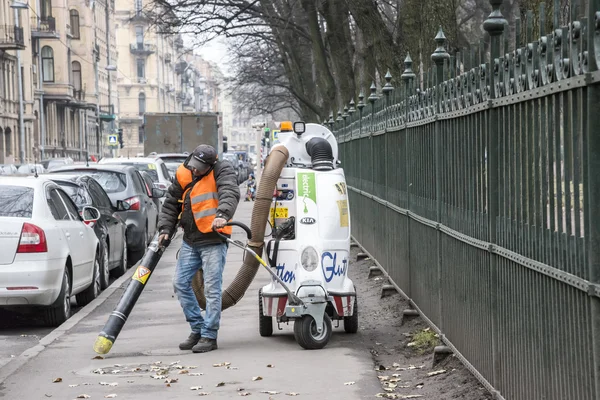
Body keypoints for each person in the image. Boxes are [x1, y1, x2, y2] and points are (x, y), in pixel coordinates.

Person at [157, 144, 240, 353]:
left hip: (213, 238)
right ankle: (198, 328)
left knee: (212, 290)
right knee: (180, 283)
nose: (195, 170)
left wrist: (222, 215)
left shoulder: (223, 170)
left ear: (210, 165)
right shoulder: (184, 172)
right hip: (190, 240)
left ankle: (209, 336)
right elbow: (171, 203)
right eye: (193, 165)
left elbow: (229, 192)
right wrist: (165, 228)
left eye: (200, 167)